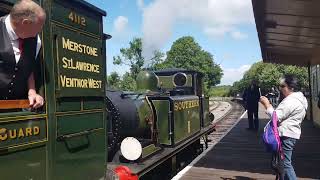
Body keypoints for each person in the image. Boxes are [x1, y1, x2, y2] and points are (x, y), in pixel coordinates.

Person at [260, 74, 308, 180]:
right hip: (292, 133)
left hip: (286, 135)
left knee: (285, 164)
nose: (280, 89)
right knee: (282, 164)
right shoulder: (301, 99)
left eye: (282, 86)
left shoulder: (291, 101)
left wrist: (267, 104)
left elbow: (276, 117)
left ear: (291, 87)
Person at [0, 0, 46, 109]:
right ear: (25, 22)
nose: (40, 30)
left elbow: (27, 67)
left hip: (14, 107)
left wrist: (32, 92)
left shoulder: (36, 41)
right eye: (39, 26)